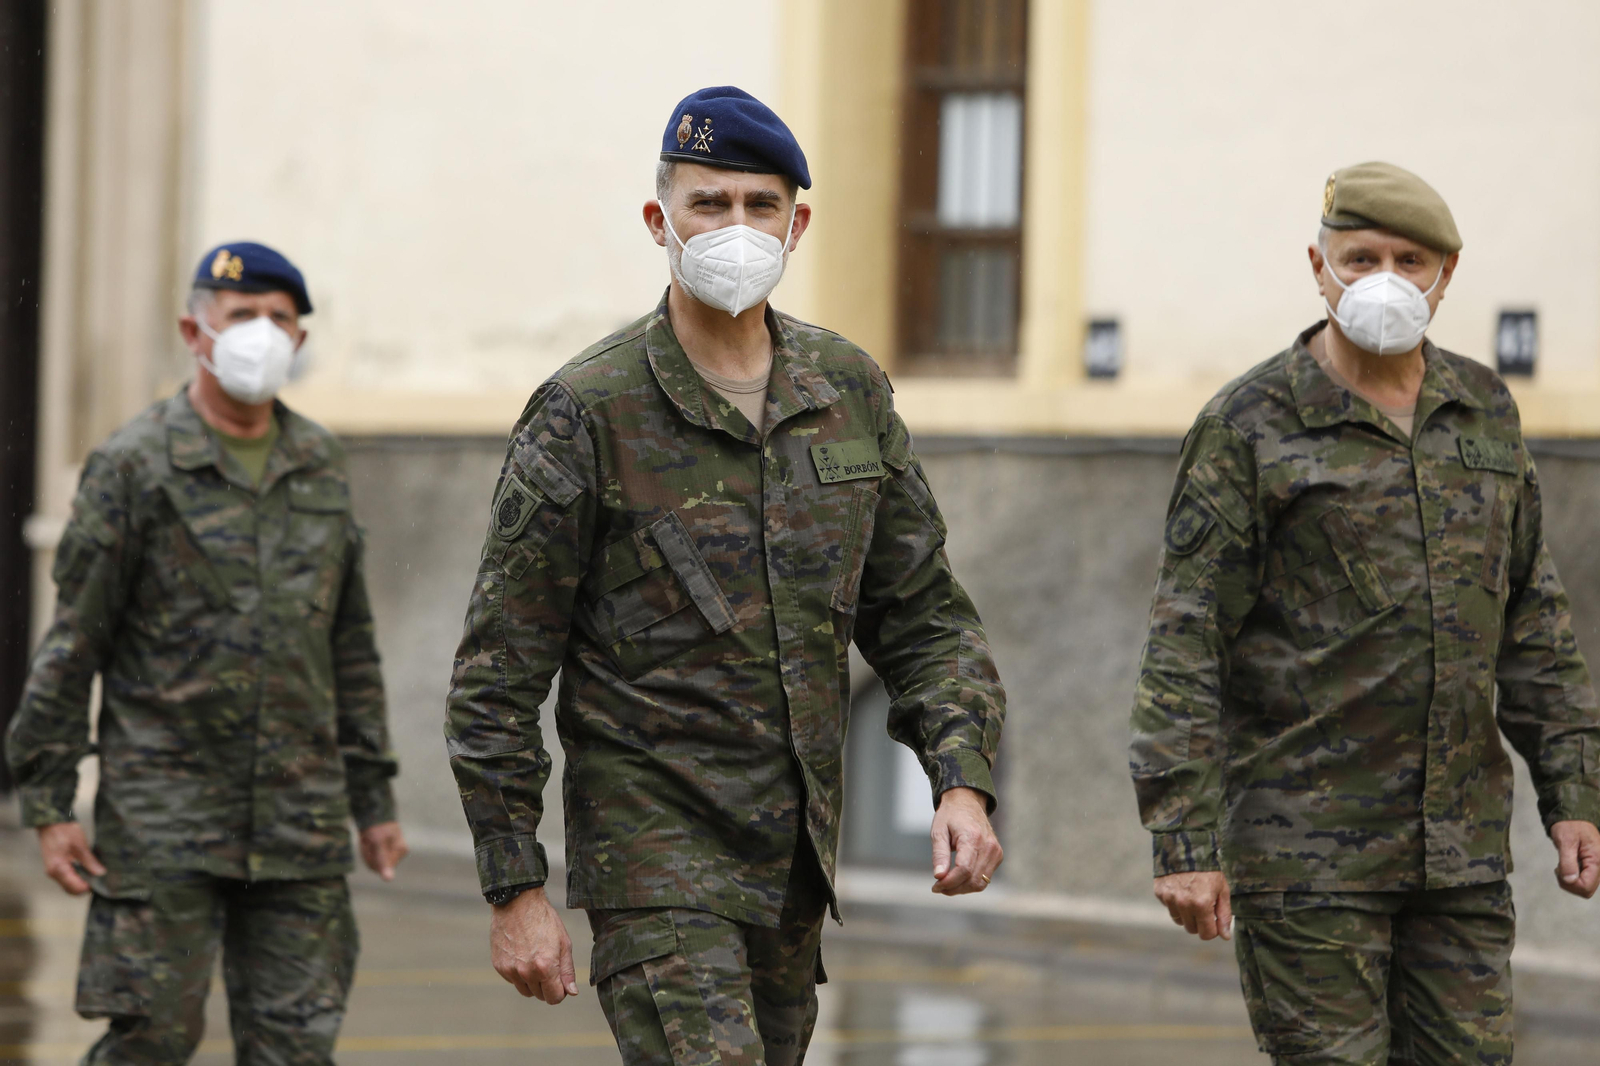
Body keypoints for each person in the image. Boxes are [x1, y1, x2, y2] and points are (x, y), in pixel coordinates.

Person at [446, 85, 1006, 1065]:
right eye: (710, 204)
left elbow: (923, 616)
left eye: (760, 205)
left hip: (791, 863)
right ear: (660, 220)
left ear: (798, 224)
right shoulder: (588, 410)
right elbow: (498, 670)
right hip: (655, 856)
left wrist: (959, 780)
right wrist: (514, 885)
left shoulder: (847, 391)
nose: (736, 227)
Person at [1129, 161, 1600, 1064]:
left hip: (1459, 852)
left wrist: (1572, 791)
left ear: (1446, 275)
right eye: (1361, 256)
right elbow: (1186, 642)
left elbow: (1533, 614)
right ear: (1318, 266)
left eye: (1410, 259)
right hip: (1307, 854)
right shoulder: (1249, 424)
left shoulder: (1484, 412)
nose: (1384, 278)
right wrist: (1182, 839)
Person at [8, 242, 407, 1063]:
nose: (261, 334)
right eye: (241, 318)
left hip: (300, 822)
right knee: (151, 1039)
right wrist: (48, 803)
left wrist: (373, 796)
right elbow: (73, 641)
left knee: (297, 1046)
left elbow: (350, 641)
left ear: (299, 342)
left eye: (279, 320)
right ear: (195, 332)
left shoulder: (321, 463)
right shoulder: (133, 466)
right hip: (165, 823)